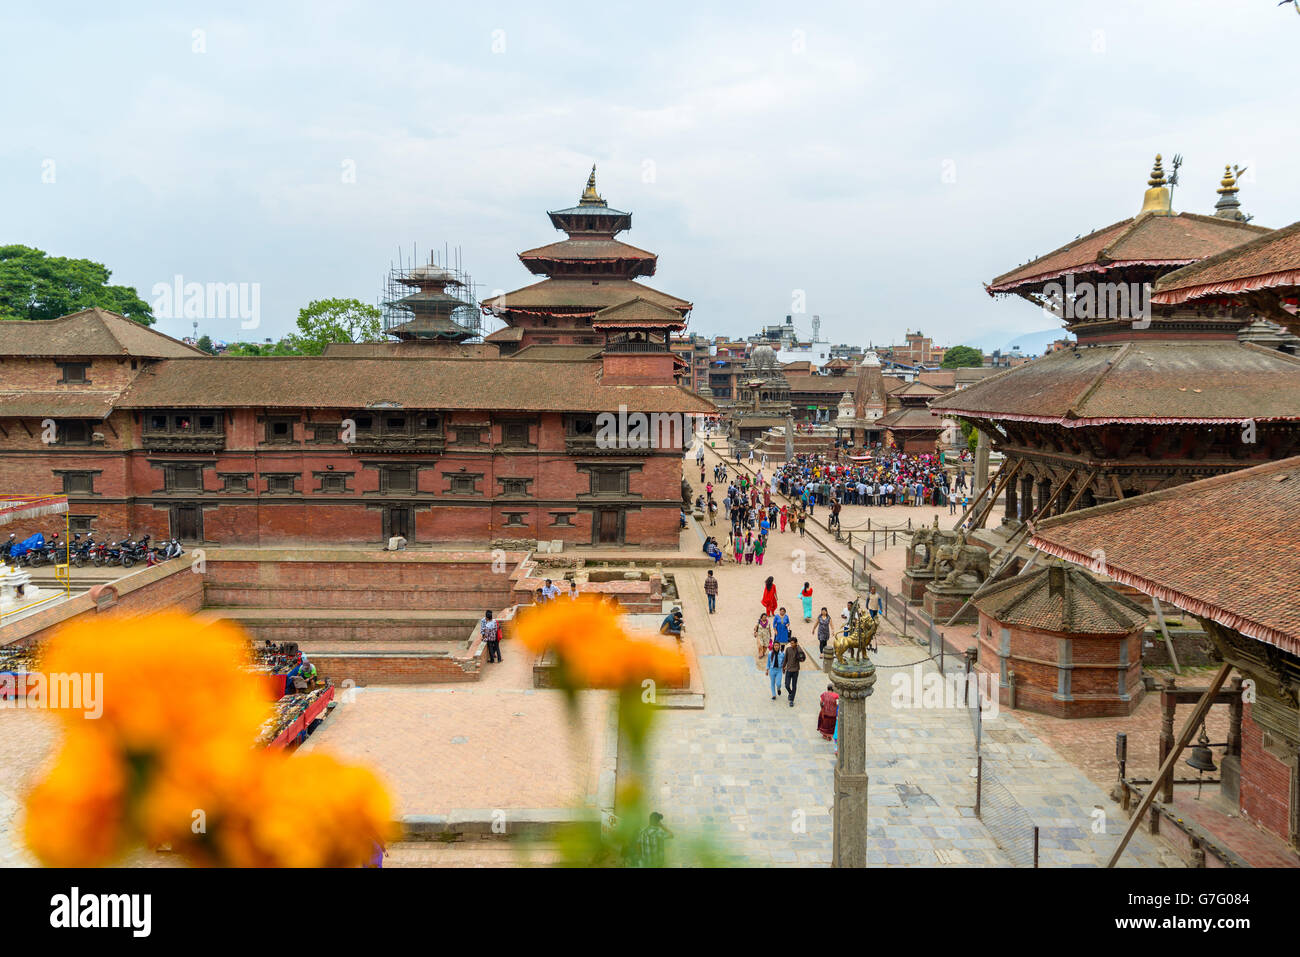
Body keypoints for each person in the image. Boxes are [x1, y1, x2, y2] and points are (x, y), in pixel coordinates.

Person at [783, 637, 806, 706]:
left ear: (796, 643)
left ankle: (792, 700)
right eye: (791, 643)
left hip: (795, 670)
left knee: (794, 685)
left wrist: (798, 646)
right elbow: (785, 659)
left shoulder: (798, 650)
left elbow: (802, 657)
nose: (791, 644)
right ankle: (791, 693)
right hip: (789, 670)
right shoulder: (788, 649)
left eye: (793, 643)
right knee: (787, 685)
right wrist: (783, 667)